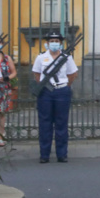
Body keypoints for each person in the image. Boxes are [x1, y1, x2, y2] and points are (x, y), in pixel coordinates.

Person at [33, 31, 78, 164]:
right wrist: (44, 85)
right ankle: (44, 154)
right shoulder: (41, 57)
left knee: (61, 123)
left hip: (62, 91)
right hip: (45, 92)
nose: (54, 43)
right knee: (45, 123)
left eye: (56, 41)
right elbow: (36, 74)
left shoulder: (66, 57)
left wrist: (64, 86)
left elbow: (73, 74)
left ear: (60, 43)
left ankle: (62, 154)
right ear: (47, 43)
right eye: (51, 41)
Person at [0, 35, 17, 147]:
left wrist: (6, 78)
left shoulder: (7, 58)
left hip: (3, 88)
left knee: (1, 113)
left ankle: (0, 136)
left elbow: (14, 72)